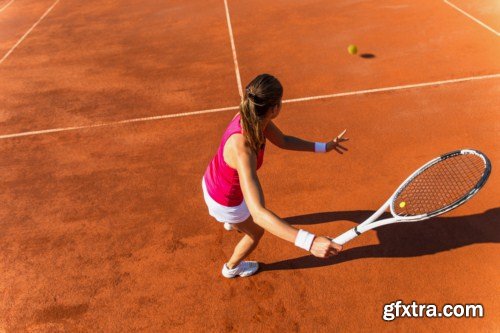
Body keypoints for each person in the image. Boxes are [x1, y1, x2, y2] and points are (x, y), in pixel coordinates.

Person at [202, 74, 348, 278]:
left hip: (214, 179)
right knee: (256, 232)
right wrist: (310, 242)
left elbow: (284, 141)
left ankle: (233, 221)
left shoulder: (253, 116)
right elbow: (259, 212)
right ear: (274, 108)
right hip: (225, 200)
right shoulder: (244, 149)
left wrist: (324, 147)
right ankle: (231, 267)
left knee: (246, 210)